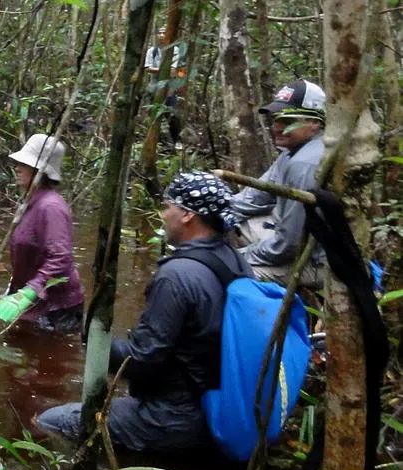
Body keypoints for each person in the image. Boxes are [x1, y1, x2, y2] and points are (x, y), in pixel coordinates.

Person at [35, 171, 251, 453]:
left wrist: (93, 338)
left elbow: (141, 360)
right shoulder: (236, 261)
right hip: (221, 405)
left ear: (188, 215)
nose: (164, 214)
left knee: (49, 421)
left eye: (168, 206)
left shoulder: (177, 275)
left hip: (175, 417)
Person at [230, 80, 327, 289]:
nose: (276, 127)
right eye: (276, 119)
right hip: (285, 237)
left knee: (227, 275)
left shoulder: (305, 164)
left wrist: (237, 257)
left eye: (288, 121)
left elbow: (288, 246)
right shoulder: (291, 153)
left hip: (316, 261)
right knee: (229, 223)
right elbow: (253, 198)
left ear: (314, 122)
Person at [2, 134, 85, 332]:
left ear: (41, 170)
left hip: (58, 309)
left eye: (24, 164)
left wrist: (30, 290)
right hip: (35, 301)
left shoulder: (51, 207)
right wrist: (14, 290)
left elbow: (60, 257)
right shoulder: (29, 202)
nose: (17, 168)